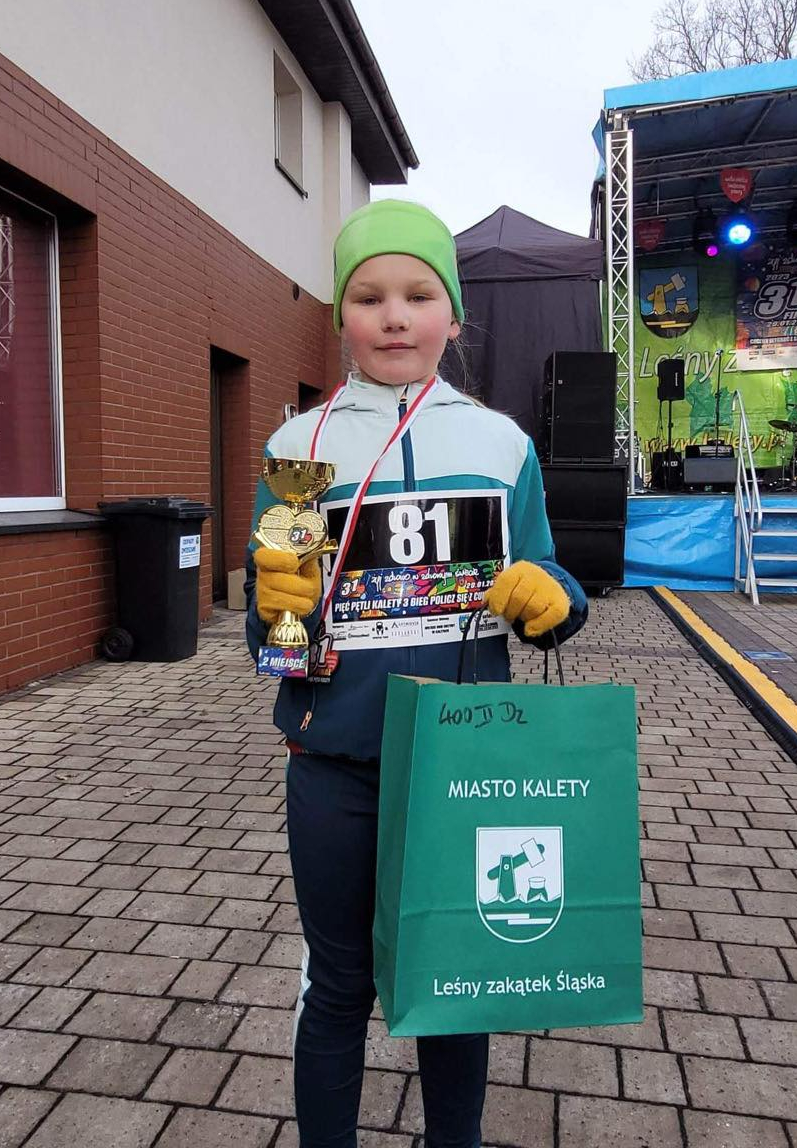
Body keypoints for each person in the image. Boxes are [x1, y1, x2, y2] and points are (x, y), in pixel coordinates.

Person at [245, 199, 588, 1148]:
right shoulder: (296, 451)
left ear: (455, 317)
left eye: (418, 295)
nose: (394, 317)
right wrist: (276, 608)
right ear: (340, 317)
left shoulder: (501, 443)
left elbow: (550, 581)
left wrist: (554, 600)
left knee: (455, 981)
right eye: (369, 297)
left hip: (463, 763)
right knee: (338, 984)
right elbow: (272, 641)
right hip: (332, 763)